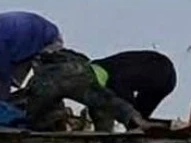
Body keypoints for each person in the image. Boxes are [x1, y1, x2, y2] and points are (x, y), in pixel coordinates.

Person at [24, 47, 153, 132]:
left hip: (63, 76)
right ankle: (134, 118)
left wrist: (33, 123)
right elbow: (103, 102)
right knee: (103, 102)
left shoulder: (43, 77)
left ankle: (132, 119)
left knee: (38, 120)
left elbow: (37, 110)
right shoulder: (69, 66)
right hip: (83, 69)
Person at [92, 50, 177, 122]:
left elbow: (119, 85)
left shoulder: (102, 73)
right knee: (138, 118)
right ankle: (139, 126)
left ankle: (137, 124)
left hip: (156, 68)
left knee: (132, 115)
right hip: (168, 79)